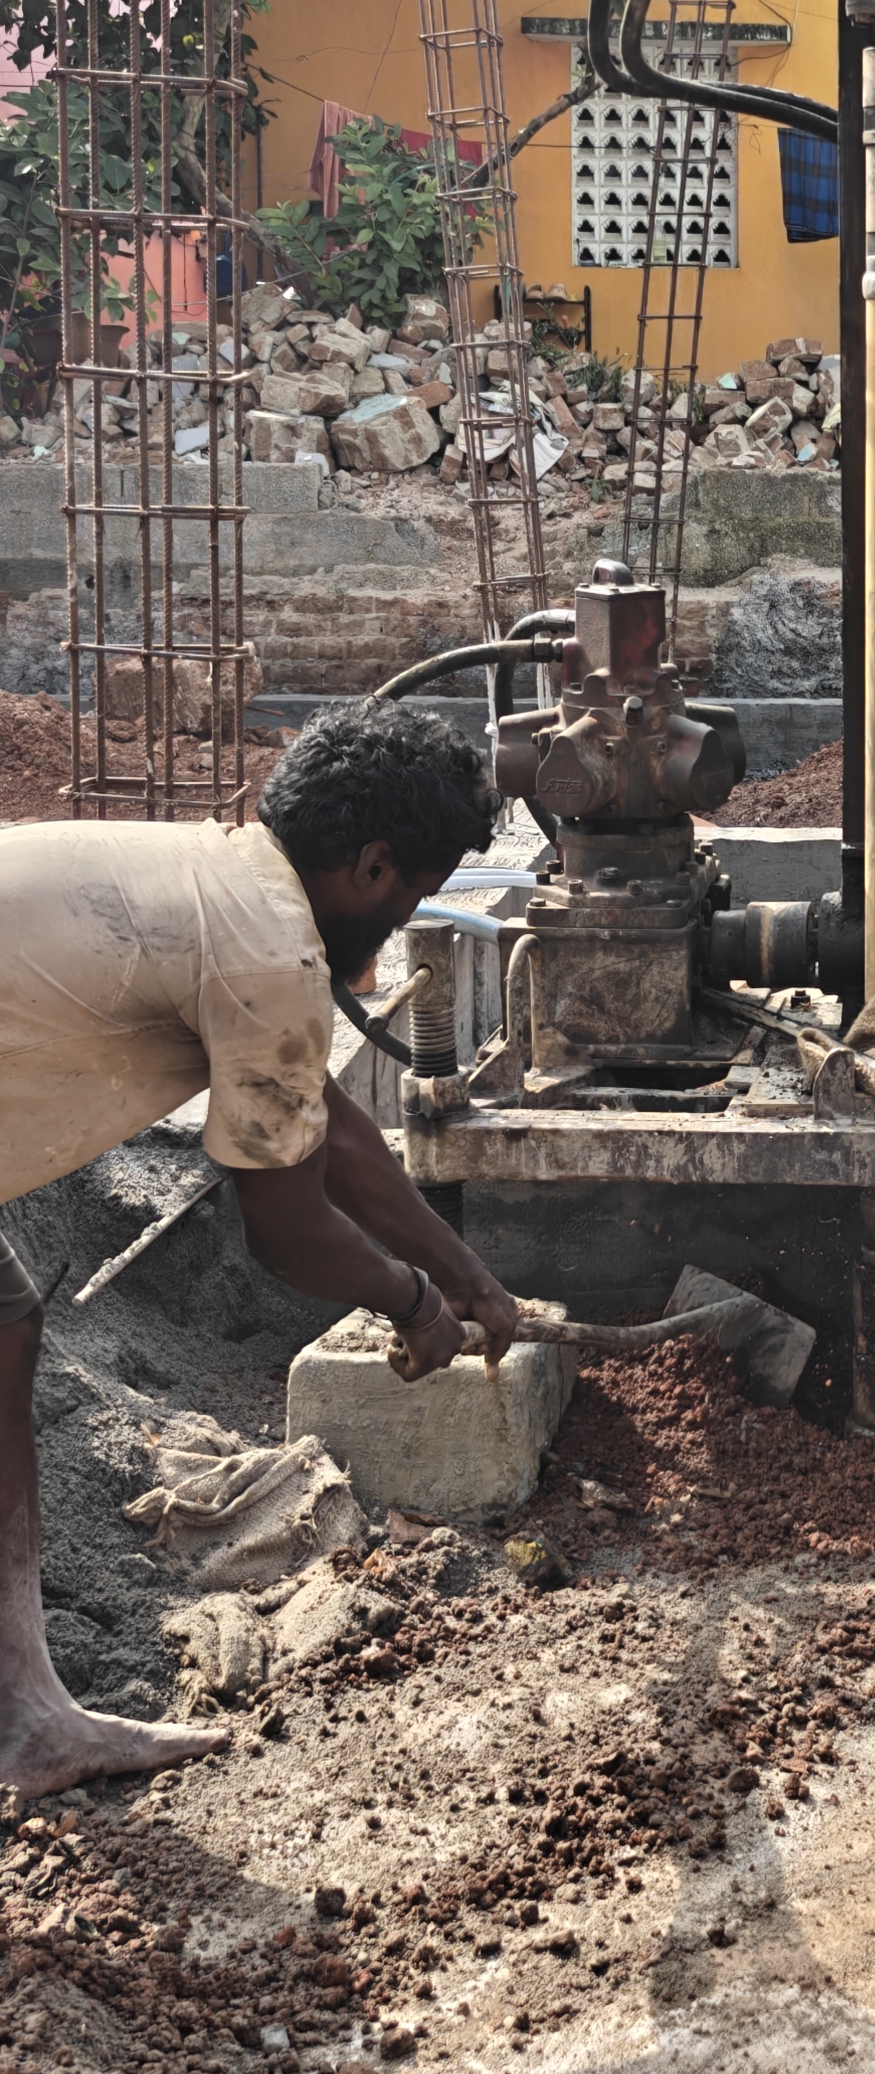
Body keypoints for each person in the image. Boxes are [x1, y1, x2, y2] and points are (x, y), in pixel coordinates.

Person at [0, 702, 521, 1802]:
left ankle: (26, 1713)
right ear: (372, 865)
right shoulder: (268, 944)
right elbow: (284, 1230)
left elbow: (327, 1123)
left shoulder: (224, 880)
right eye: (414, 891)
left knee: (6, 1324)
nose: (404, 918)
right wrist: (413, 1298)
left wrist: (470, 1279)